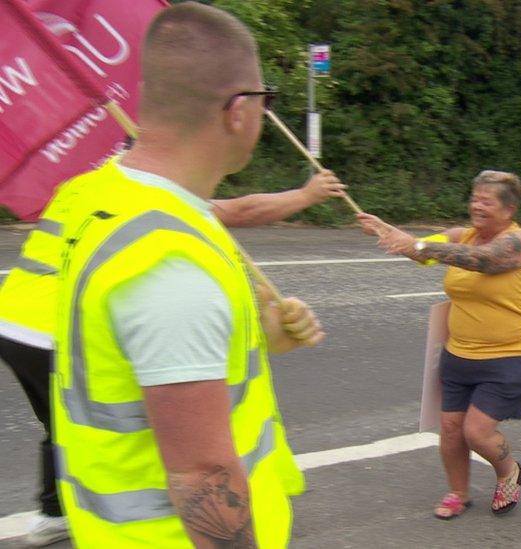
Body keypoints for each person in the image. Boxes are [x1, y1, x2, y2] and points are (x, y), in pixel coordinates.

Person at [48, 3, 326, 546]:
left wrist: (260, 337)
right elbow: (202, 477)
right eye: (265, 102)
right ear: (238, 111)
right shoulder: (170, 266)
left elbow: (137, 362)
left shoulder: (101, 197)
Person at [0, 116, 344, 549]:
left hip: (19, 321)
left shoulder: (90, 189)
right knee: (129, 426)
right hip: (56, 327)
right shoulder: (155, 225)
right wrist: (307, 195)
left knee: (81, 423)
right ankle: (85, 507)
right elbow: (200, 469)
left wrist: (263, 328)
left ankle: (58, 509)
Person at [356, 170, 521, 519]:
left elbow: (482, 260)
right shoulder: (462, 235)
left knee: (477, 432)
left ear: (509, 209)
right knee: (452, 430)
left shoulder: (519, 243)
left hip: (510, 357)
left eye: (487, 201)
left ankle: (508, 470)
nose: (477, 206)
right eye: (474, 199)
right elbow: (421, 250)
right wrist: (383, 229)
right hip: (459, 355)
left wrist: (422, 246)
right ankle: (458, 491)